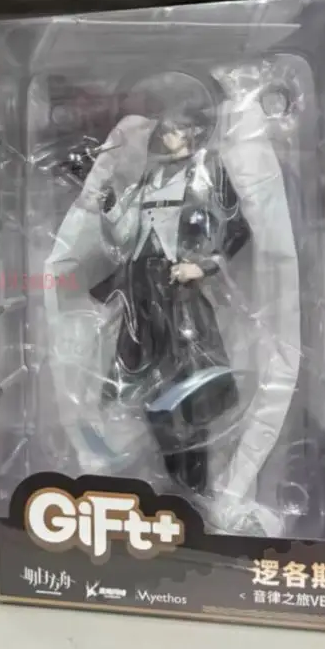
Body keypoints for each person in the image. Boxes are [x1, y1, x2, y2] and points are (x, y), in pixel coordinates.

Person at [90, 109, 251, 494]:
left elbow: (237, 228)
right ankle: (175, 482)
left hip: (179, 292)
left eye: (177, 129)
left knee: (189, 388)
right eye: (165, 130)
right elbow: (127, 233)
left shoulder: (207, 172)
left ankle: (194, 483)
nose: (168, 136)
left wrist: (203, 266)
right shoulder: (151, 176)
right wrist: (108, 201)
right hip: (141, 290)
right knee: (149, 388)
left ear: (194, 131)